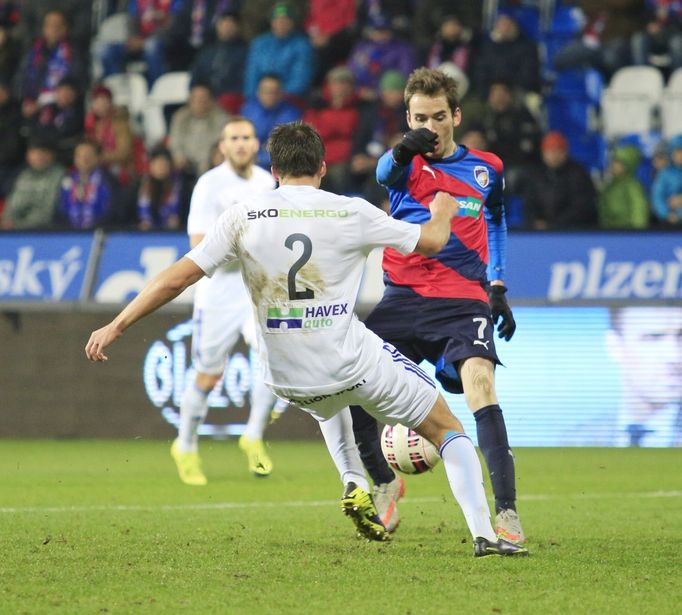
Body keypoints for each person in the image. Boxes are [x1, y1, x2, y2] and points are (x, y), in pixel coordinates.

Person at [85, 121, 528, 557]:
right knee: (448, 430)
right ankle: (485, 534)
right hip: (348, 362)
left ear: (273, 171)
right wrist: (443, 213)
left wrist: (116, 325)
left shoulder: (243, 216)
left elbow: (176, 279)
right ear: (322, 166)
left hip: (285, 376)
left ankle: (354, 480)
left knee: (326, 402)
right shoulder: (350, 211)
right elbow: (432, 242)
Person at [344, 67, 527, 544]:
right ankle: (383, 483)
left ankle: (506, 515)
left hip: (463, 298)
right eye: (421, 118)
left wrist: (499, 284)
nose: (432, 127)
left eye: (440, 117)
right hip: (403, 296)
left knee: (481, 385)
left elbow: (497, 220)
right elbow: (384, 171)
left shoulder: (488, 168)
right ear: (409, 117)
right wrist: (406, 145)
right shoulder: (403, 164)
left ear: (456, 115)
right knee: (348, 380)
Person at [170, 116, 280, 484]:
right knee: (208, 373)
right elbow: (197, 245)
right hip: (218, 292)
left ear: (256, 143)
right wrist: (247, 248)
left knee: (271, 358)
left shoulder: (267, 183)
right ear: (222, 145)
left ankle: (253, 436)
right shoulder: (209, 185)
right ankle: (184, 446)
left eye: (247, 137)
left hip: (256, 289)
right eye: (233, 137)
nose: (241, 144)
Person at [607, 306, 682, 447]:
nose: (675, 356)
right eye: (653, 337)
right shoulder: (577, 439)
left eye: (681, 336)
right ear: (615, 346)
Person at [523, 131, 598, 230]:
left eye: (558, 151)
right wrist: (534, 222)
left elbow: (581, 207)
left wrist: (554, 225)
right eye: (550, 151)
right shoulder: (536, 174)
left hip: (573, 231)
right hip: (543, 231)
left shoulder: (578, 174)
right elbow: (529, 204)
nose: (554, 156)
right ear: (543, 153)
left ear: (565, 152)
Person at [1, 137, 64, 229]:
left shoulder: (59, 176)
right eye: (33, 152)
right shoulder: (24, 175)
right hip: (14, 231)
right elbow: (11, 204)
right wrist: (6, 221)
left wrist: (18, 225)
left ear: (51, 155)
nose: (38, 156)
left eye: (42, 152)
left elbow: (48, 212)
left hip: (45, 233)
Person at [598, 144, 650, 229]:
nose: (613, 165)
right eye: (613, 161)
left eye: (618, 162)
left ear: (627, 165)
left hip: (627, 232)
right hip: (609, 232)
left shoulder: (633, 186)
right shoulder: (610, 186)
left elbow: (639, 209)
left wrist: (638, 233)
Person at [651, 134, 682, 225]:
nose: (680, 155)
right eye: (677, 151)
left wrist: (679, 214)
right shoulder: (664, 174)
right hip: (666, 223)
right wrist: (667, 214)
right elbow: (657, 197)